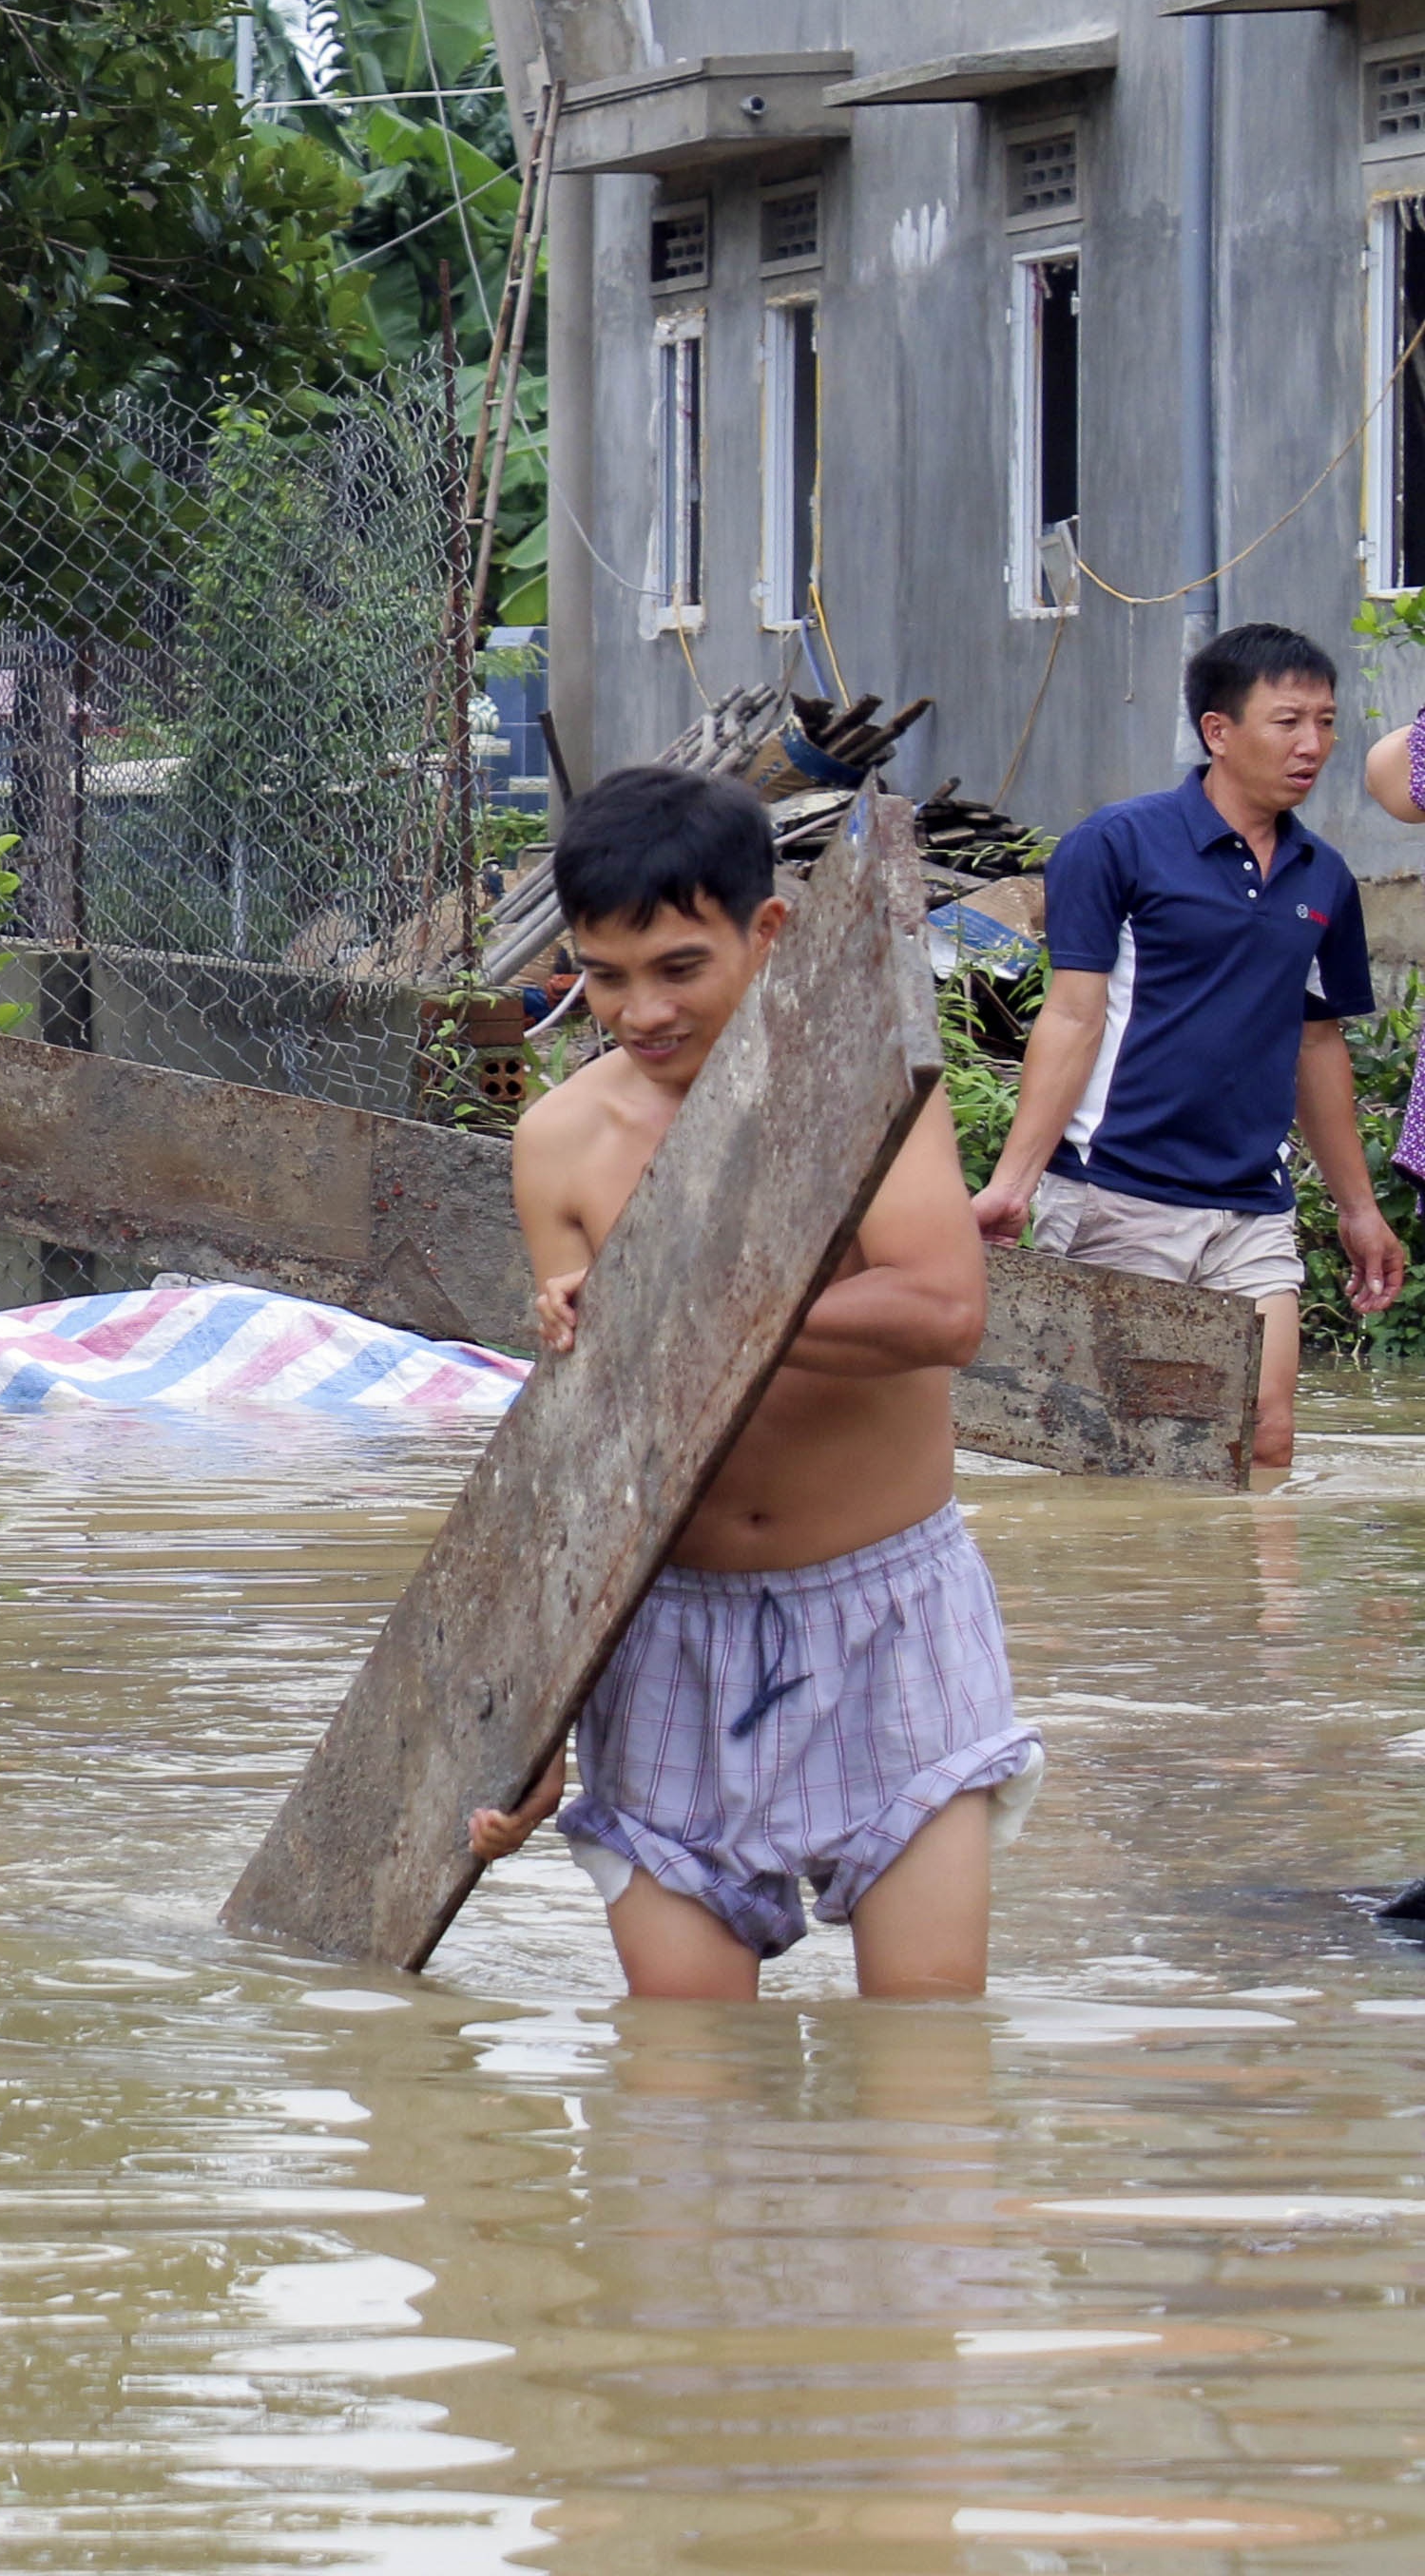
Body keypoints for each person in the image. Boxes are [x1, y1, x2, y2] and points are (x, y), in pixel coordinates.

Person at [466, 765, 1019, 1999]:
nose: (638, 1011)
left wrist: (677, 1309)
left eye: (677, 968)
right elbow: (583, 1450)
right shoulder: (559, 1143)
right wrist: (536, 1723)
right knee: (684, 2095)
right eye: (605, 977)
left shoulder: (858, 1085)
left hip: (889, 1613)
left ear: (766, 933)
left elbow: (944, 1307)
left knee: (926, 2067)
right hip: (669, 1633)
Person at [972, 621, 1399, 1470]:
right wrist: (1012, 1185)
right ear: (1218, 731)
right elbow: (1072, 1016)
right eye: (1288, 721)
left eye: (1326, 722)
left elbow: (1317, 1046)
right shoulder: (1120, 844)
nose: (1313, 744)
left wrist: (1357, 1207)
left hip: (1251, 1204)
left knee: (1265, 1439)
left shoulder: (1325, 878)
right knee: (1119, 1457)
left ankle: (1246, 1605)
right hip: (1115, 1192)